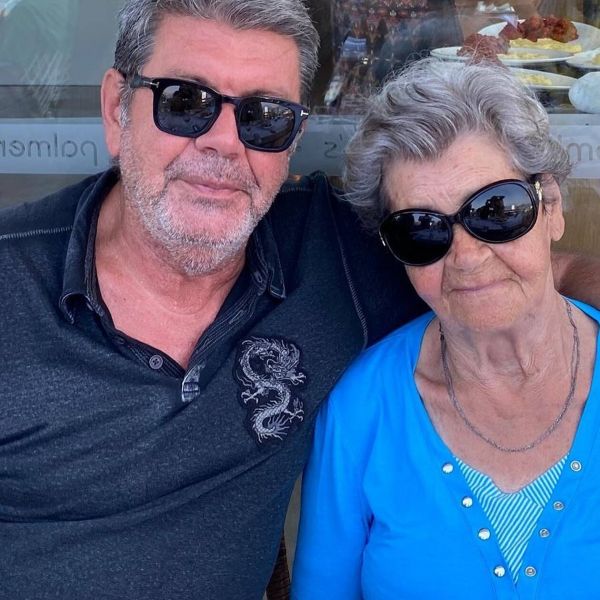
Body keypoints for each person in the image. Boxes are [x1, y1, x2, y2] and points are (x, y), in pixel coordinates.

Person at [0, 2, 596, 599]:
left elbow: (514, 269)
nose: (224, 143)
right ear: (116, 109)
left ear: (292, 143)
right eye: (185, 101)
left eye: (265, 117)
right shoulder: (11, 286)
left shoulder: (335, 255)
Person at [292, 58, 600, 599]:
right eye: (421, 229)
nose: (466, 257)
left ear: (550, 206)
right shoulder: (361, 407)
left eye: (496, 211)